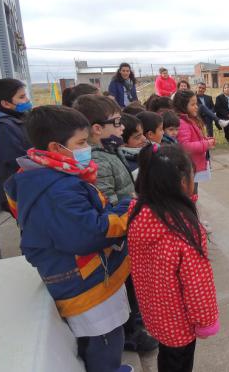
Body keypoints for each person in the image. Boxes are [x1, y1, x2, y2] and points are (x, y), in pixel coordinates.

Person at [3, 105, 136, 372]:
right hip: (86, 281)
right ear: (56, 147)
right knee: (105, 337)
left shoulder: (47, 176)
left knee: (96, 338)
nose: (87, 148)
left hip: (78, 274)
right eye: (81, 142)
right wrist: (127, 210)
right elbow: (88, 233)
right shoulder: (56, 189)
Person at [73, 96, 157, 353]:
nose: (122, 128)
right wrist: (130, 204)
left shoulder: (110, 150)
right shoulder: (97, 160)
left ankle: (137, 320)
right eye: (117, 123)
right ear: (97, 129)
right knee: (125, 283)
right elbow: (105, 200)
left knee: (132, 281)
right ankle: (131, 331)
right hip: (118, 232)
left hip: (126, 224)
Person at [127, 144, 219, 372]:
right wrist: (206, 321)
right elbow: (197, 284)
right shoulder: (183, 227)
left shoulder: (138, 212)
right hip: (180, 322)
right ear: (181, 183)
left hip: (154, 311)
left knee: (168, 359)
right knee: (179, 362)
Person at [0, 78, 33, 213]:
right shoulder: (2, 127)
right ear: (6, 103)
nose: (27, 100)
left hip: (24, 188)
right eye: (22, 97)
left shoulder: (18, 119)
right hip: (16, 192)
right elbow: (17, 160)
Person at [173, 90, 216, 194]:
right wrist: (206, 144)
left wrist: (206, 140)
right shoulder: (182, 122)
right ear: (182, 106)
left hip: (192, 166)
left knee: (193, 192)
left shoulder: (189, 119)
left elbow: (194, 137)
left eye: (196, 103)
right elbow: (185, 146)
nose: (196, 107)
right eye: (192, 104)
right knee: (190, 195)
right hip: (188, 167)